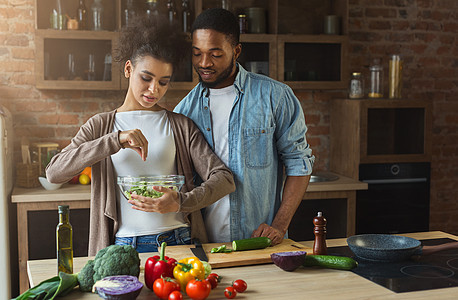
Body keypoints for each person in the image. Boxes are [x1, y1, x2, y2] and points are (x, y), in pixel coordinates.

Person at [46, 16, 235, 256]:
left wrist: (181, 201)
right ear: (128, 69)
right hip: (124, 247)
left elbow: (224, 179)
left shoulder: (180, 125)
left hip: (179, 240)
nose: (154, 89)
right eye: (146, 78)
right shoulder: (101, 125)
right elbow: (54, 173)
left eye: (163, 82)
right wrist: (115, 140)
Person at [174, 8, 315, 245]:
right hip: (205, 245)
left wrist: (279, 225)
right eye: (197, 53)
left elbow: (299, 163)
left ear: (236, 51)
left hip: (261, 241)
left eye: (215, 54)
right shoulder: (184, 111)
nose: (204, 63)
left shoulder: (275, 97)